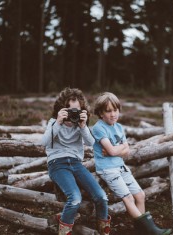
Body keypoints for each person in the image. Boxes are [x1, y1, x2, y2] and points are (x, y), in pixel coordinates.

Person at [92, 92, 171, 235]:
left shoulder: (119, 127)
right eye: (108, 111)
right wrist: (117, 149)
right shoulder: (99, 128)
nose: (113, 114)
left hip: (120, 166)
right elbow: (113, 150)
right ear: (100, 113)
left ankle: (142, 230)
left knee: (140, 195)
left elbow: (126, 151)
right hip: (108, 169)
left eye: (115, 110)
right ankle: (150, 230)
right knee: (128, 198)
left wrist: (116, 150)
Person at [41, 87, 111, 235]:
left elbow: (92, 143)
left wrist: (83, 126)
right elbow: (45, 142)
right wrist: (58, 122)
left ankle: (103, 231)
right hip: (57, 164)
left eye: (76, 110)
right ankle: (64, 231)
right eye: (69, 109)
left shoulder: (80, 125)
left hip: (76, 163)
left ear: (82, 111)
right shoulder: (54, 122)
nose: (73, 113)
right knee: (74, 199)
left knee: (102, 197)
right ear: (61, 109)